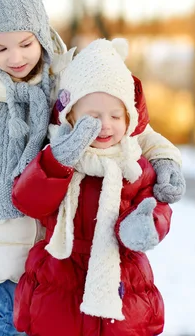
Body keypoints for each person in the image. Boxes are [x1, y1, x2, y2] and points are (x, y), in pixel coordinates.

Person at [0, 0, 183, 336]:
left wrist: (166, 160)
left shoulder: (67, 77)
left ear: (42, 34)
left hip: (61, 248)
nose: (15, 57)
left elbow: (133, 128)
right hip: (5, 237)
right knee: (13, 322)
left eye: (26, 44)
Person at [12, 38, 173, 336]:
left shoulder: (135, 167)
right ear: (70, 115)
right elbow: (28, 201)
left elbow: (157, 207)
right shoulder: (56, 156)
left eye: (115, 116)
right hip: (58, 282)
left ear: (129, 119)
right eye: (92, 117)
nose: (105, 125)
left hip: (123, 282)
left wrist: (147, 224)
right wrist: (60, 159)